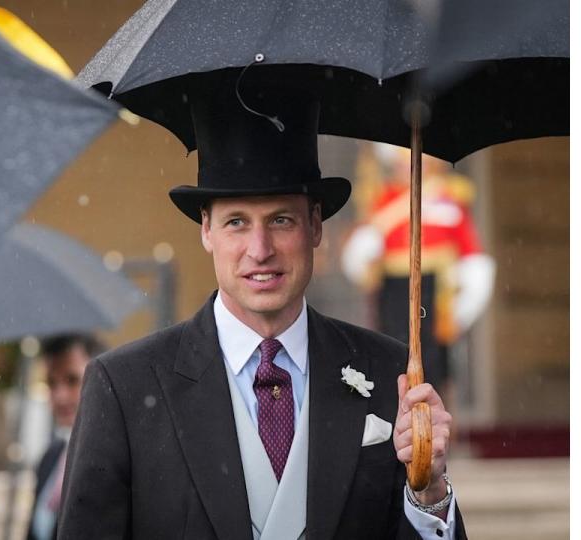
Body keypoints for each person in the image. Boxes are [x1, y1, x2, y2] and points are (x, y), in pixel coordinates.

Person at [56, 86, 467, 539]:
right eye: (236, 222)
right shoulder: (125, 388)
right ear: (206, 230)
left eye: (280, 220)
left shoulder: (392, 372)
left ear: (315, 225)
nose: (260, 250)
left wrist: (429, 493)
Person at [341, 145, 495, 392]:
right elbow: (364, 251)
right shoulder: (383, 197)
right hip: (393, 290)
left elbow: (471, 254)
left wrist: (463, 305)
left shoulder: (449, 198)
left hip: (436, 290)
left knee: (433, 364)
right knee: (392, 357)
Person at [27, 334, 105, 540]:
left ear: (102, 380)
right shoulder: (49, 458)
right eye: (51, 383)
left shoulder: (119, 461)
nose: (59, 396)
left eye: (72, 380)